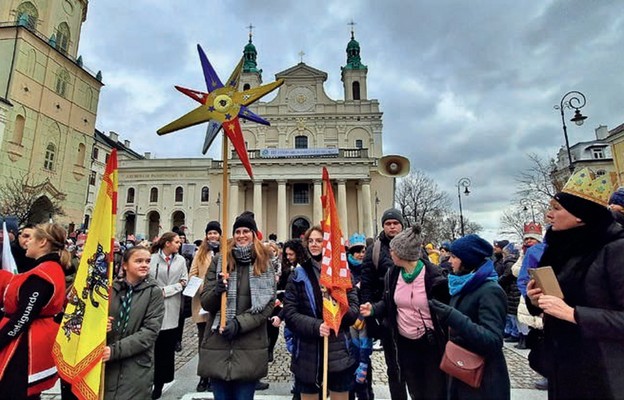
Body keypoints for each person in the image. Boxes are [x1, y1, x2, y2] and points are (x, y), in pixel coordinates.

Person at [526, 168, 624, 399]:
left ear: (581, 215)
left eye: (556, 209)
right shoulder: (562, 248)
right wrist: (536, 300)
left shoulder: (616, 249)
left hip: (605, 376)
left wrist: (574, 314)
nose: (549, 216)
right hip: (564, 370)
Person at [360, 226, 449, 399]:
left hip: (430, 344)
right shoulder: (393, 274)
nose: (390, 253)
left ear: (403, 254)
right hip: (404, 342)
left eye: (393, 250)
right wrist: (373, 309)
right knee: (414, 388)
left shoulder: (433, 276)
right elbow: (388, 302)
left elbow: (444, 311)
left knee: (433, 391)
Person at [198, 211, 275, 400]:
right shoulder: (220, 261)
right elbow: (206, 302)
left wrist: (240, 324)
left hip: (249, 345)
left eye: (246, 231)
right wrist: (216, 291)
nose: (241, 235)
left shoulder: (264, 263)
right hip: (218, 343)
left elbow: (267, 306)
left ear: (254, 234)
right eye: (238, 231)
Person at [428, 234, 510, 400]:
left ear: (467, 259)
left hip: (484, 381)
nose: (449, 261)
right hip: (461, 372)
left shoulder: (490, 291)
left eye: (454, 256)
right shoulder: (462, 285)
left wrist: (452, 316)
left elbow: (493, 340)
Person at [283, 225, 359, 400]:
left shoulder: (342, 273)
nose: (314, 245)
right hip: (308, 354)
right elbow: (290, 313)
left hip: (338, 350)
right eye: (311, 241)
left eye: (319, 241)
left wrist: (336, 317)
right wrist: (317, 326)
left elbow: (354, 308)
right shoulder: (298, 275)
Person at [0, 223, 71, 398]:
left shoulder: (43, 274)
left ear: (43, 242)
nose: (27, 242)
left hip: (25, 343)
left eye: (31, 238)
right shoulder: (47, 269)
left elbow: (24, 317)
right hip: (31, 338)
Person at [104, 246, 165, 399]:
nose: (144, 264)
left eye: (147, 261)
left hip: (136, 367)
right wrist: (100, 326)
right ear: (125, 265)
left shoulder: (153, 291)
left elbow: (150, 332)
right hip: (108, 368)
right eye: (138, 261)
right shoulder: (111, 290)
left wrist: (114, 351)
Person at [360, 208, 405, 399]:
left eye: (395, 223)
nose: (392, 226)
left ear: (402, 225)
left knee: (417, 366)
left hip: (414, 317)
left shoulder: (414, 247)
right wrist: (371, 318)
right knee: (394, 366)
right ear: (383, 226)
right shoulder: (374, 251)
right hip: (387, 315)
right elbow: (367, 285)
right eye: (388, 223)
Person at [149, 232, 187, 399]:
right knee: (152, 347)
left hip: (172, 306)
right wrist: (158, 292)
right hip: (152, 307)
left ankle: (160, 383)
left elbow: (184, 280)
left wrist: (169, 290)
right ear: (167, 243)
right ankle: (148, 380)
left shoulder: (181, 260)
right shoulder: (151, 259)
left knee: (166, 348)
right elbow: (147, 279)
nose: (179, 244)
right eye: (177, 242)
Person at [189, 220, 221, 392]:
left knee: (217, 341)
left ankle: (215, 375)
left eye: (215, 233)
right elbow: (192, 274)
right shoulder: (200, 253)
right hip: (202, 302)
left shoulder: (225, 252)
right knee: (203, 341)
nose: (212, 236)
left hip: (221, 303)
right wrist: (207, 288)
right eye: (210, 233)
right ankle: (203, 377)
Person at [346, 233, 373, 400]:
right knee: (349, 366)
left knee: (364, 367)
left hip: (364, 321)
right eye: (357, 251)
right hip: (350, 321)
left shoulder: (369, 269)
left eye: (363, 250)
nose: (361, 254)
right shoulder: (345, 270)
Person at [499, 242, 520, 343]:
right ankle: (511, 332)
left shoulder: (509, 262)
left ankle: (514, 333)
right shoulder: (511, 262)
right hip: (511, 289)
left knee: (512, 314)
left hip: (512, 290)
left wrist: (498, 281)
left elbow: (507, 275)